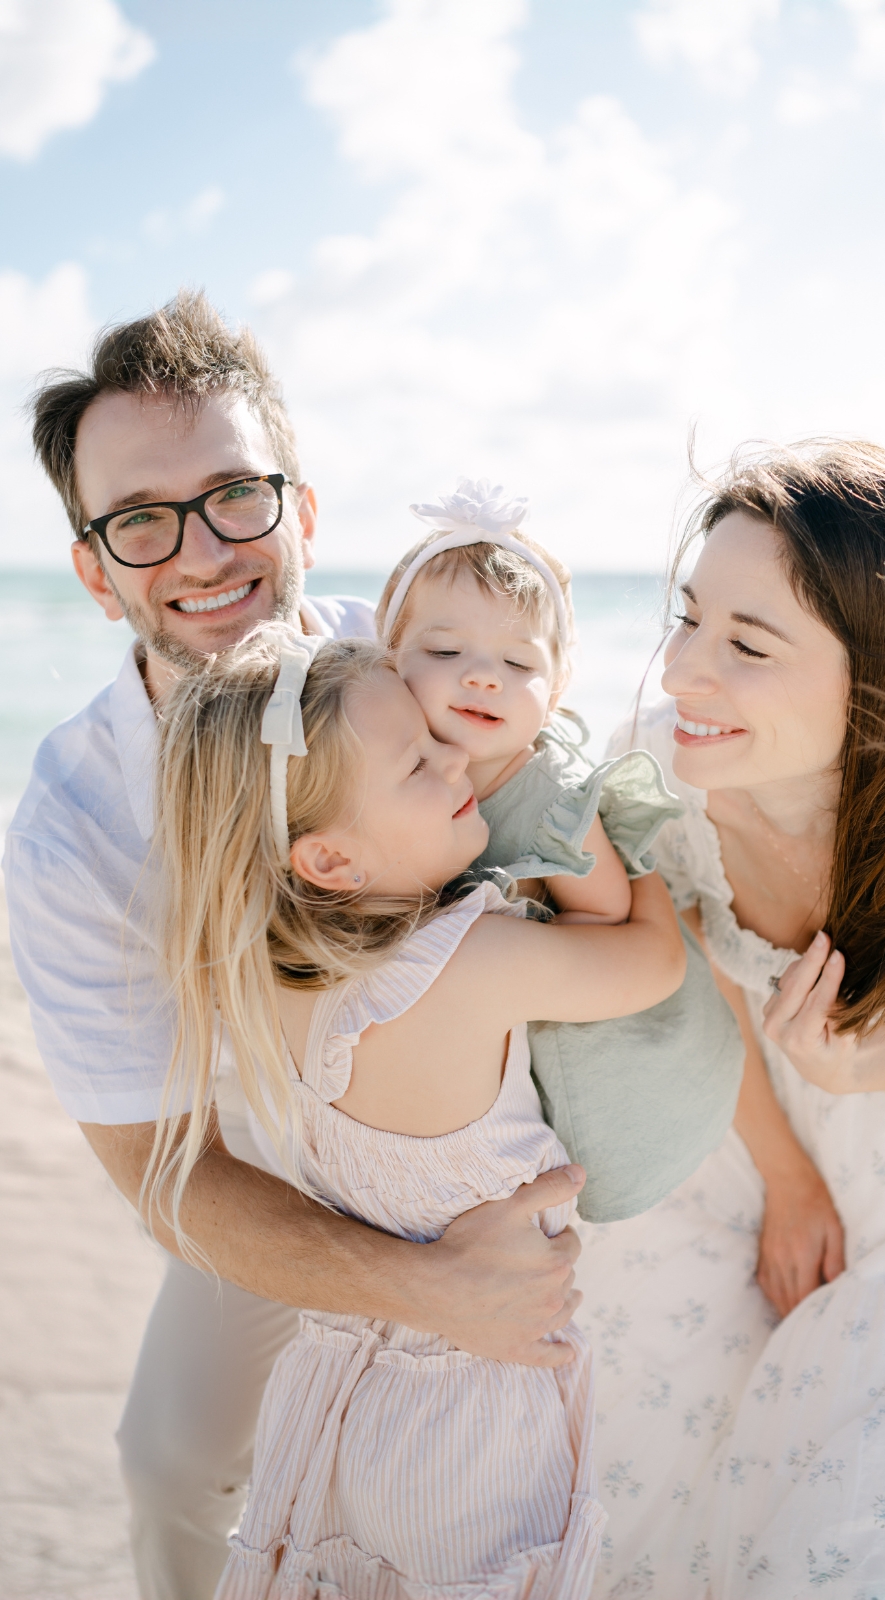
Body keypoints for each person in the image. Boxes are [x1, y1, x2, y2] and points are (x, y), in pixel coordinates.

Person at [4, 292, 582, 1600]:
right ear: (94, 573)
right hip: (282, 1171)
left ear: (303, 514)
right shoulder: (72, 831)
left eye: (235, 496)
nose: (202, 549)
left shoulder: (431, 679)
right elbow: (166, 1173)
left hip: (494, 1141)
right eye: (142, 519)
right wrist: (430, 1291)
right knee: (165, 1460)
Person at [148, 627, 686, 1598]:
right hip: (475, 1417)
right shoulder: (463, 966)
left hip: (342, 1394)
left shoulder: (266, 981)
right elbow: (652, 960)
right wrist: (572, 804)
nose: (457, 756)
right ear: (329, 860)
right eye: (418, 761)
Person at [576, 440, 885, 1600]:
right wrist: (785, 1172)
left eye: (747, 646)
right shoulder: (656, 771)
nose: (684, 674)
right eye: (687, 619)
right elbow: (682, 972)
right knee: (635, 1443)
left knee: (826, 1530)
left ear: (883, 675)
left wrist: (881, 1061)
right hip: (725, 1094)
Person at [377, 481, 744, 1221]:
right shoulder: (386, 770)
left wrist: (498, 955)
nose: (483, 676)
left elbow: (608, 912)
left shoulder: (545, 793)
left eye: (519, 666)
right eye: (446, 650)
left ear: (559, 687)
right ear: (387, 660)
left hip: (611, 1042)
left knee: (595, 1156)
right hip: (503, 1032)